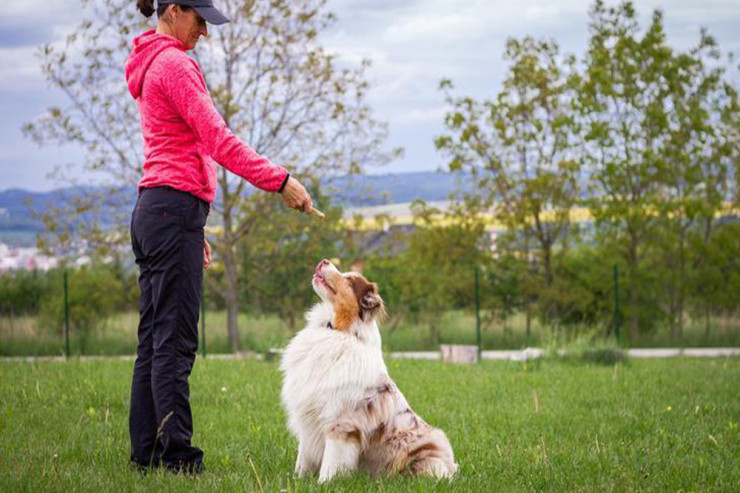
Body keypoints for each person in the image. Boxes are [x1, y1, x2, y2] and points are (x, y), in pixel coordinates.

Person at [125, 0, 313, 474]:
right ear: (172, 10)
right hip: (170, 212)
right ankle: (178, 459)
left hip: (159, 210)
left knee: (153, 339)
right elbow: (218, 140)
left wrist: (192, 224)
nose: (205, 32)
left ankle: (146, 454)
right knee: (174, 341)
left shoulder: (151, 62)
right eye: (200, 19)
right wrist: (280, 181)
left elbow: (176, 148)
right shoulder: (174, 64)